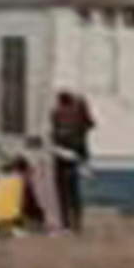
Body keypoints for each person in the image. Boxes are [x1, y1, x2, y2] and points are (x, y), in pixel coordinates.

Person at [49, 86, 97, 233]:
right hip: (76, 155)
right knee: (74, 191)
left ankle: (66, 223)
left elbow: (52, 132)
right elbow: (91, 125)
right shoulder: (78, 113)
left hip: (59, 156)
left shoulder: (56, 113)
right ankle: (77, 222)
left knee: (62, 192)